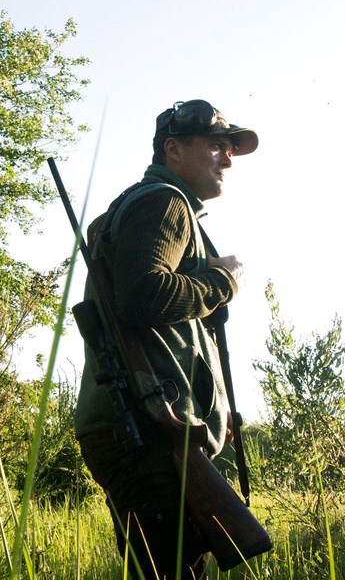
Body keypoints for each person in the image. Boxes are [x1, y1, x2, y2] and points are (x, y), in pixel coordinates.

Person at [74, 99, 258, 579]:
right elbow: (144, 295)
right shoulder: (163, 202)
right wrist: (224, 283)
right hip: (147, 435)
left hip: (151, 429)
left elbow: (162, 329)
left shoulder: (153, 207)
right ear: (173, 149)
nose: (228, 158)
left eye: (230, 148)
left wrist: (211, 410)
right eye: (217, 145)